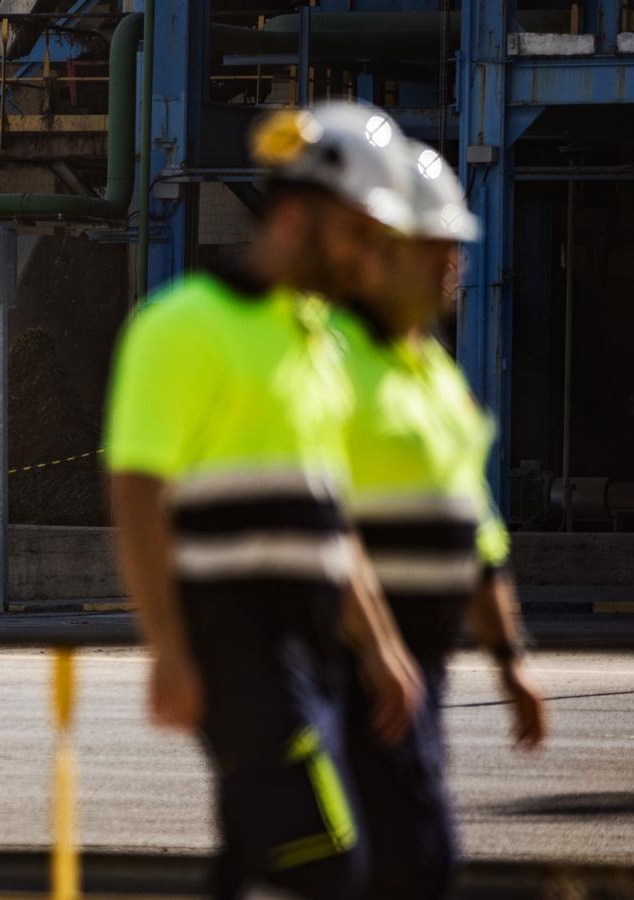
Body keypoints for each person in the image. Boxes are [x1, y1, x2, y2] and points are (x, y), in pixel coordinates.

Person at [106, 101, 424, 900]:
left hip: (317, 647)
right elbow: (137, 496)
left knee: (261, 861)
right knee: (325, 859)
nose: (367, 258)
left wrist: (379, 642)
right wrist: (167, 649)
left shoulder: (320, 340)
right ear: (296, 214)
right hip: (234, 638)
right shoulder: (181, 328)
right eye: (357, 233)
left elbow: (327, 518)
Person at [333, 140, 548, 899]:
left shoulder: (432, 371)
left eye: (453, 248)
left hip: (420, 667)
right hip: (346, 669)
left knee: (414, 860)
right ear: (380, 254)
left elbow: (474, 526)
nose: (452, 265)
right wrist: (376, 644)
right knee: (401, 859)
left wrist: (510, 657)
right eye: (434, 248)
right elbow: (318, 523)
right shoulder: (331, 361)